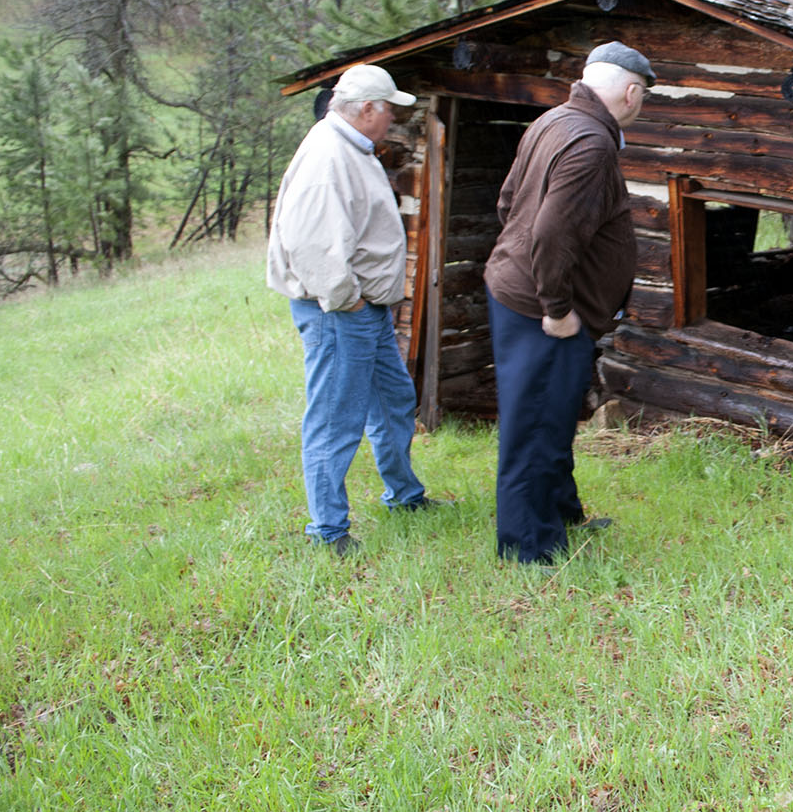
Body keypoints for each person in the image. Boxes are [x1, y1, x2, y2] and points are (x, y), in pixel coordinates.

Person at [483, 41, 654, 565]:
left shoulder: (553, 120)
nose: (641, 104)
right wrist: (556, 309)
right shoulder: (590, 144)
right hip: (543, 311)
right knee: (534, 424)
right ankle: (528, 549)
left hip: (522, 294)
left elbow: (507, 201)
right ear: (630, 91)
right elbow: (552, 233)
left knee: (552, 416)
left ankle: (559, 514)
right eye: (643, 95)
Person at [267, 63, 446, 557]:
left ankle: (405, 496)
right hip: (340, 312)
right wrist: (349, 298)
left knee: (392, 399)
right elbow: (309, 242)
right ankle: (328, 530)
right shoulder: (328, 156)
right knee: (335, 417)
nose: (392, 117)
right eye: (388, 108)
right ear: (367, 108)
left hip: (364, 312)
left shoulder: (350, 147)